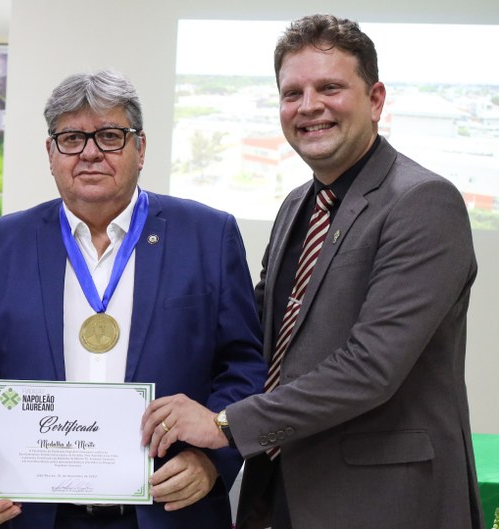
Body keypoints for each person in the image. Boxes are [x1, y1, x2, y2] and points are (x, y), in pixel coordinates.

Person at [141, 14, 484, 529]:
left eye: (330, 87)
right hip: (277, 492)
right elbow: (253, 333)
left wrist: (223, 423)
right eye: (292, 92)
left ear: (375, 99)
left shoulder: (422, 202)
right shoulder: (297, 204)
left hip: (381, 503)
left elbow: (371, 367)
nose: (309, 107)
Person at [0, 70, 267, 529]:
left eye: (110, 136)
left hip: (168, 510)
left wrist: (214, 457)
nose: (90, 152)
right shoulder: (0, 244)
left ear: (141, 148)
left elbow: (243, 364)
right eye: (71, 138)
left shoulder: (209, 236)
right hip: (33, 513)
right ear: (50, 153)